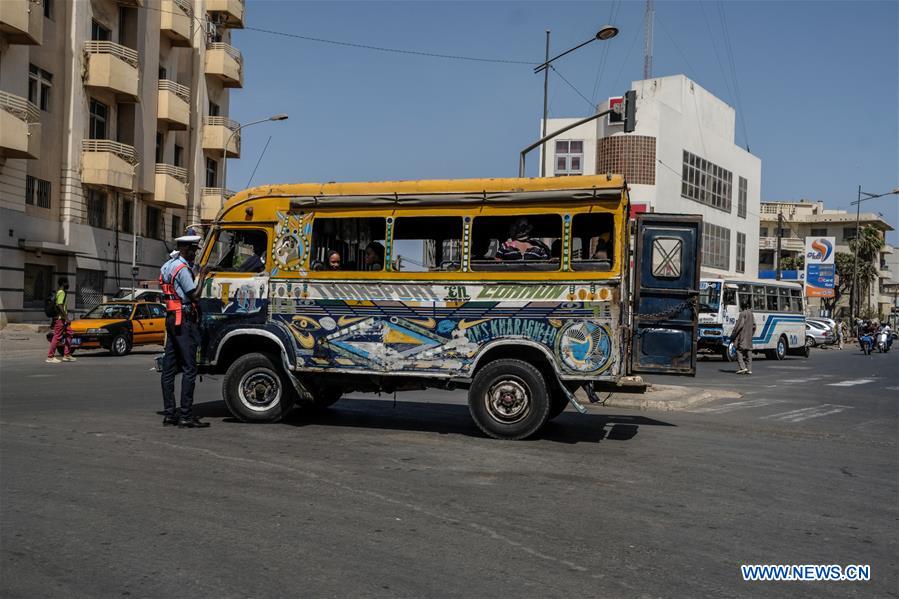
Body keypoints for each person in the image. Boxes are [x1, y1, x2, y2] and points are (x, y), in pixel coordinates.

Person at [159, 234, 209, 428]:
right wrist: (203, 275)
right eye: (193, 250)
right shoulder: (181, 269)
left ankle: (170, 414)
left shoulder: (167, 266)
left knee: (169, 370)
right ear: (185, 249)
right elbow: (194, 295)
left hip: (171, 319)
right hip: (184, 321)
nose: (195, 254)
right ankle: (186, 415)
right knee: (189, 369)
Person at [46, 277, 75, 364]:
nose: (68, 284)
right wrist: (66, 318)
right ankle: (50, 357)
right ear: (63, 283)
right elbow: (60, 305)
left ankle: (66, 355)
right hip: (60, 319)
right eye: (67, 283)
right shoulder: (61, 292)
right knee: (57, 337)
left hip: (62, 319)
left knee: (70, 333)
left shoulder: (61, 292)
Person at [731, 298, 755, 375]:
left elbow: (739, 326)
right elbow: (754, 326)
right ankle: (749, 369)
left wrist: (733, 335)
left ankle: (742, 367)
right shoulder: (751, 314)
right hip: (749, 336)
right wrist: (751, 334)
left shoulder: (742, 314)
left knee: (739, 351)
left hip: (742, 336)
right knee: (749, 352)